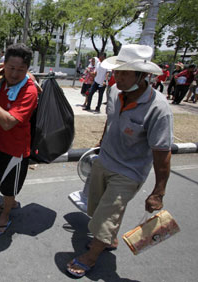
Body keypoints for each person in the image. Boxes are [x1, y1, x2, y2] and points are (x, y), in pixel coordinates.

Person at [66, 44, 173, 278]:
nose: (118, 77)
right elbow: (111, 121)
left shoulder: (159, 108)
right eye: (117, 71)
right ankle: (110, 239)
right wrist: (101, 145)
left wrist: (158, 192)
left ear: (143, 76)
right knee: (95, 208)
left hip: (129, 172)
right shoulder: (113, 91)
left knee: (106, 215)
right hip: (104, 161)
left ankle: (90, 257)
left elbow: (162, 153)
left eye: (126, 73)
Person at [0, 43, 38, 236]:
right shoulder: (1, 80)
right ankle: (9, 201)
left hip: (17, 150)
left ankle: (6, 213)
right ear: (4, 65)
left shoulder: (29, 91)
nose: (14, 73)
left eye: (21, 69)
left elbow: (7, 123)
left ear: (27, 69)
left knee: (9, 186)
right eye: (11, 68)